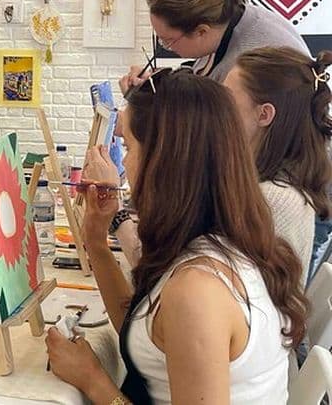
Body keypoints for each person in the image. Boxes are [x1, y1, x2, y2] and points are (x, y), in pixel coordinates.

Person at [46, 69, 307, 404]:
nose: (123, 165)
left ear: (164, 160)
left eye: (127, 147)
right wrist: (96, 240)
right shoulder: (225, 237)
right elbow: (147, 332)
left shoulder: (197, 290)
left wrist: (93, 379)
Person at [223, 47, 332, 284]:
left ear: (264, 115)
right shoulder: (269, 185)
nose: (218, 110)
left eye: (227, 100)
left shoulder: (274, 200)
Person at [120, 0, 310, 93]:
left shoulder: (250, 63)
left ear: (201, 31)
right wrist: (157, 83)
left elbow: (214, 133)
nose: (166, 46)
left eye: (168, 41)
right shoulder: (223, 15)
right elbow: (202, 73)